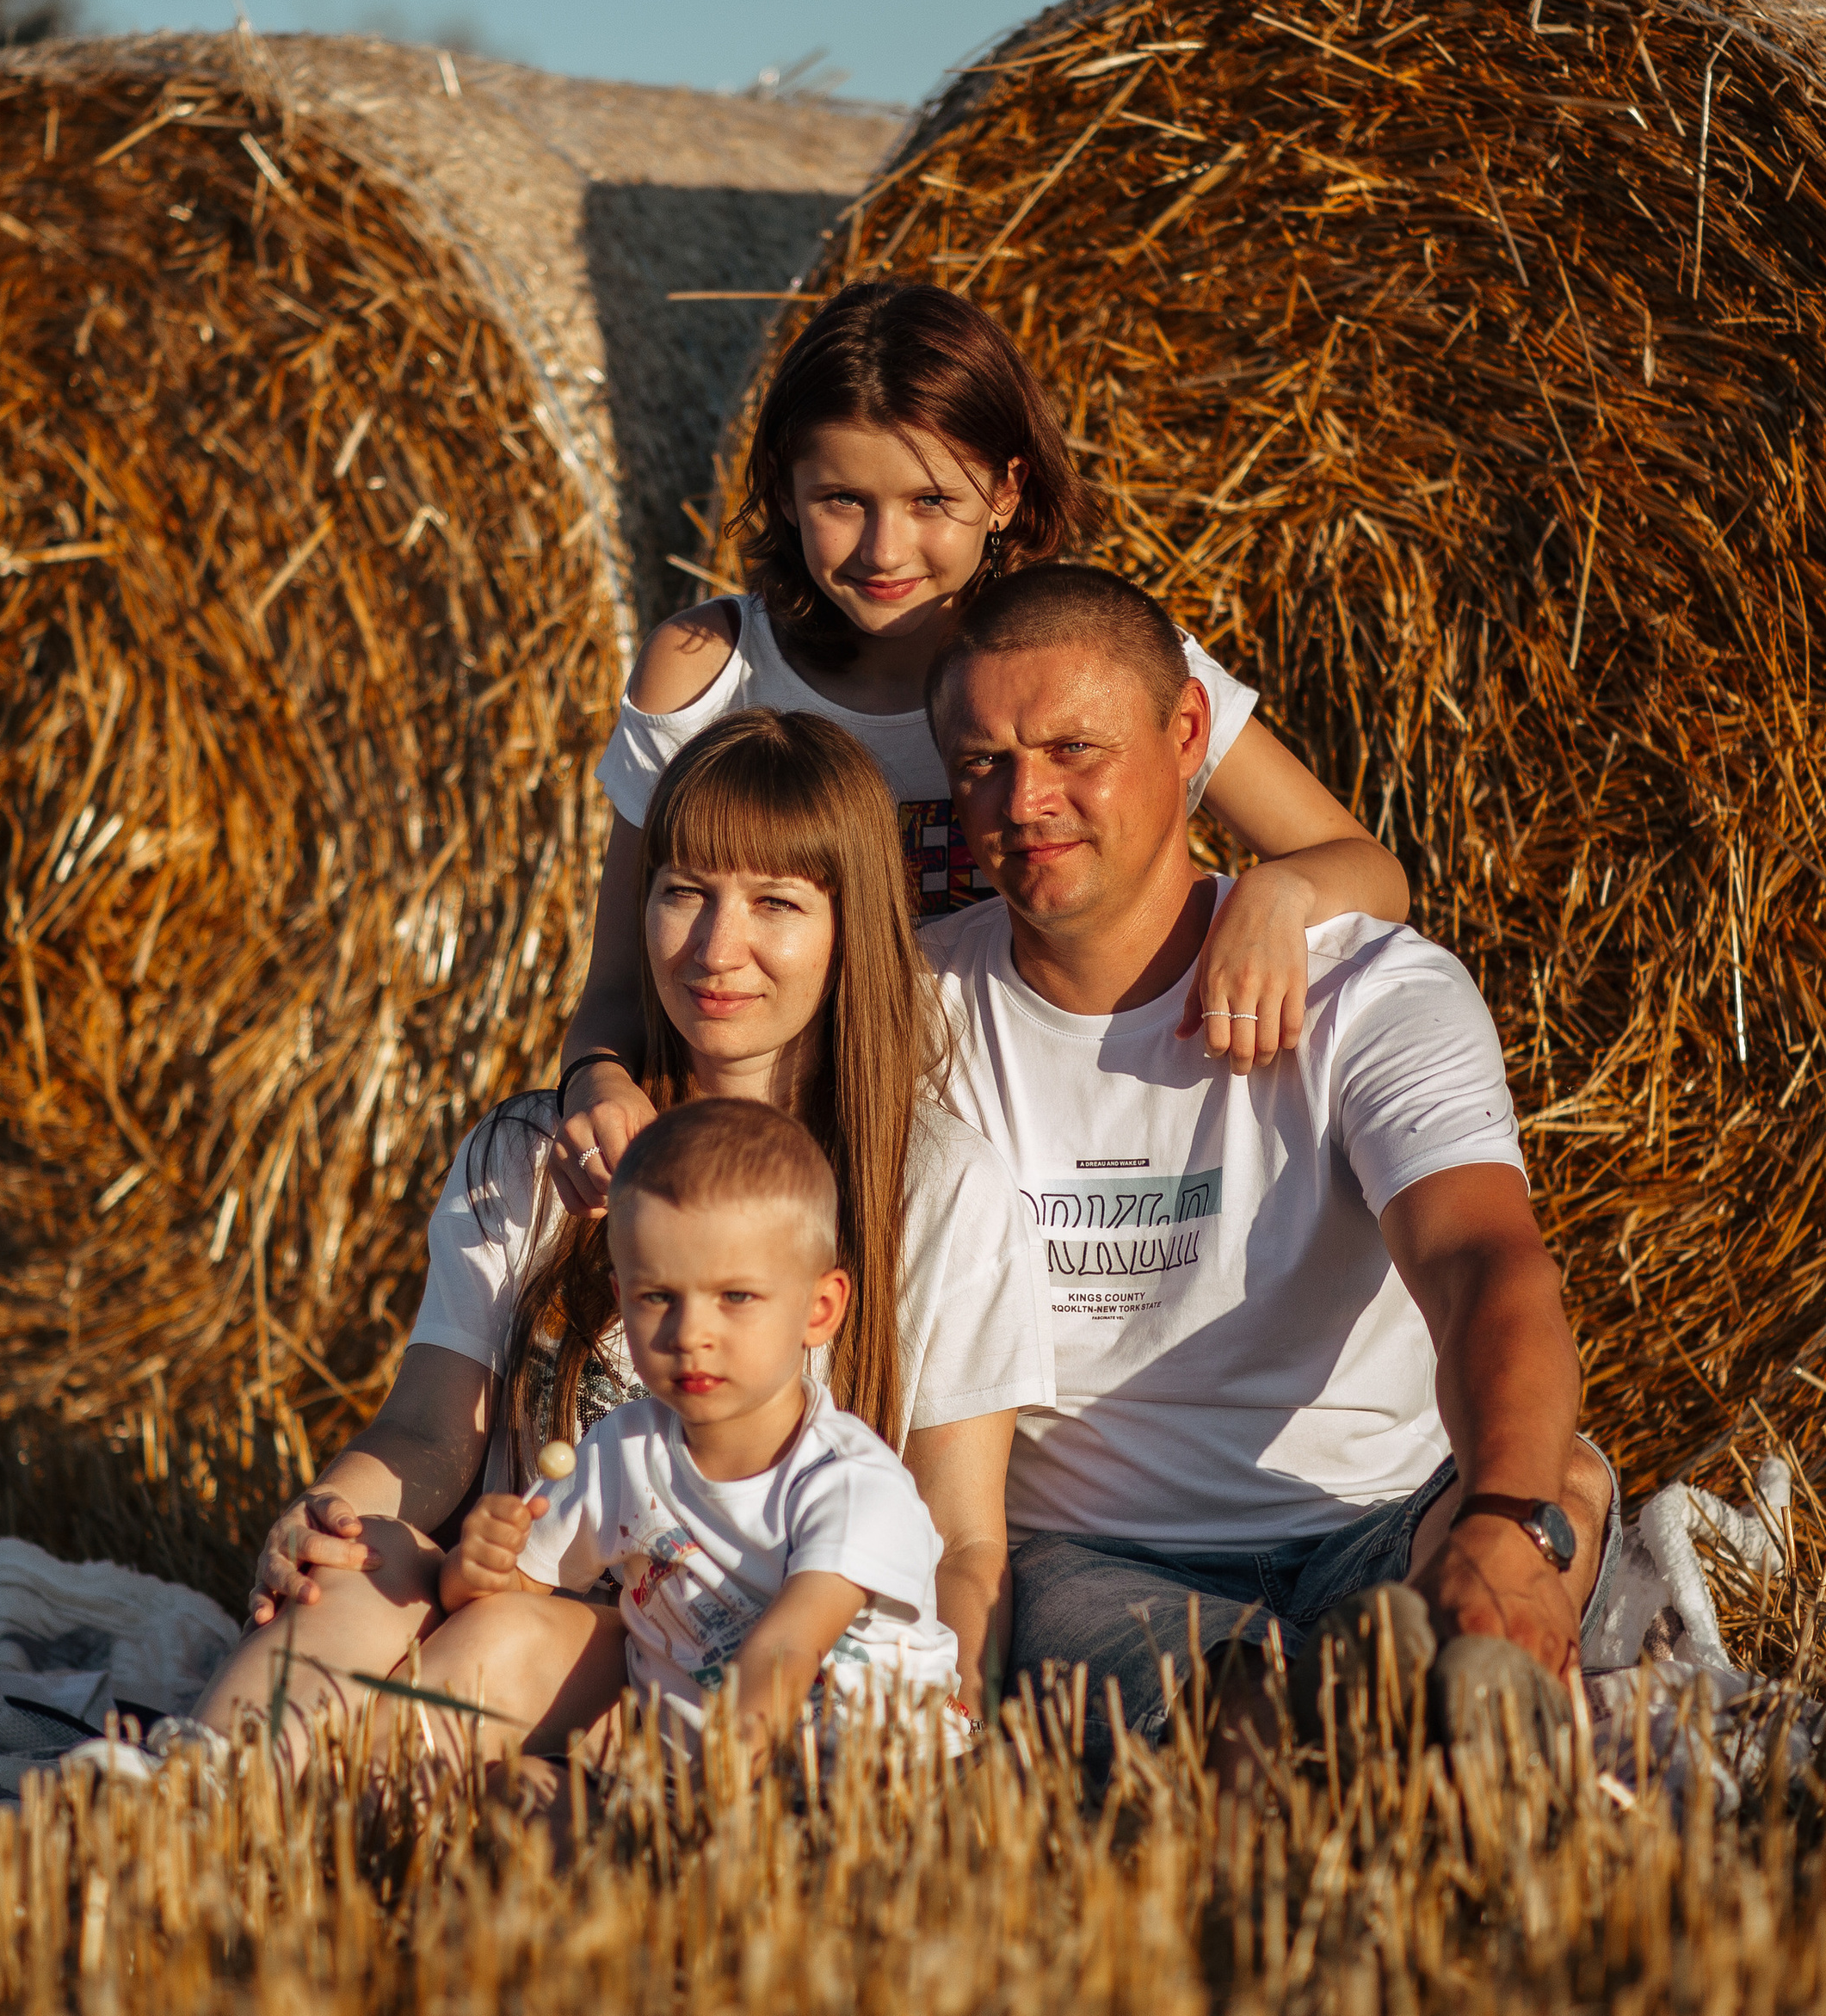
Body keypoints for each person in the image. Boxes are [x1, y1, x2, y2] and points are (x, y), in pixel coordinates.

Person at [190, 709, 1047, 1763]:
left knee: (500, 1640)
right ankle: (181, 1819)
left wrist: (931, 1739)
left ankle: (306, 1832)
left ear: (851, 924)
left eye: (773, 902)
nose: (715, 948)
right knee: (361, 1560)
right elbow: (423, 1436)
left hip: (735, 1688)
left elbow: (962, 1538)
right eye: (684, 891)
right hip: (514, 1582)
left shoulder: (936, 1187)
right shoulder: (528, 1153)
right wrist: (323, 1513)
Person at [916, 563, 1619, 1783]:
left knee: (1552, 1483)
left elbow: (1480, 1263)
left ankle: (1441, 1684)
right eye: (981, 762)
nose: (1024, 799)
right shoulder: (915, 1014)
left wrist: (1504, 1530)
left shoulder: (1373, 988)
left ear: (1189, 733)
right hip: (1094, 1553)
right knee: (1240, 1730)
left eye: (1074, 747)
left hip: (1386, 1514)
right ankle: (1365, 1739)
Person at [551, 280, 1410, 1218]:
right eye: (841, 497)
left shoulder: (1093, 664)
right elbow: (617, 990)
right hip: (790, 1165)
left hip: (1041, 1148)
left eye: (931, 500)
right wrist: (596, 1082)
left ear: (1004, 491)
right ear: (786, 494)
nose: (885, 548)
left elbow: (1367, 869)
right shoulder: (709, 673)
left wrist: (1275, 893)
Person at [430, 1097, 959, 1793]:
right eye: (658, 1298)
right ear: (621, 1297)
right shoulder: (622, 1453)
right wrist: (479, 1566)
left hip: (877, 1792)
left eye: (736, 1297)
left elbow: (785, 1653)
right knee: (517, 1793)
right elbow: (508, 1594)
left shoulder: (849, 1483)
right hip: (692, 1782)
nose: (690, 1332)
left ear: (819, 1309)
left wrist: (702, 1826)